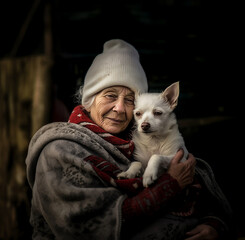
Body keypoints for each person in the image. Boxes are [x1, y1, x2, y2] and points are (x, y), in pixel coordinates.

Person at [26, 39, 233, 239]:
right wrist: (170, 184)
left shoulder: (140, 141)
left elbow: (200, 190)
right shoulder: (59, 150)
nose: (119, 108)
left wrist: (213, 225)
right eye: (110, 95)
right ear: (89, 100)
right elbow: (86, 228)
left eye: (129, 100)